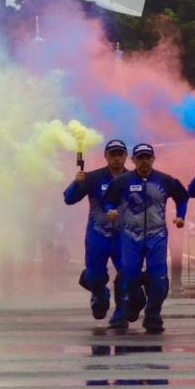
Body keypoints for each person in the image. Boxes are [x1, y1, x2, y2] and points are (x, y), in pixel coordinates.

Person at [103, 143, 188, 333]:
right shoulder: (122, 182)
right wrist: (110, 210)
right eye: (140, 158)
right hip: (130, 236)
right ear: (133, 160)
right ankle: (134, 304)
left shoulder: (165, 180)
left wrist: (181, 215)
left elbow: (182, 196)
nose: (144, 162)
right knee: (128, 276)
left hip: (156, 236)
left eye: (147, 158)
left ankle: (153, 314)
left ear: (153, 159)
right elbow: (108, 200)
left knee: (158, 278)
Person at [62, 139, 132, 326]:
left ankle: (121, 312)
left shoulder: (133, 178)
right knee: (94, 276)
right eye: (112, 155)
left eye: (120, 154)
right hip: (97, 235)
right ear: (106, 156)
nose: (117, 159)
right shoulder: (93, 177)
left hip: (123, 237)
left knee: (127, 274)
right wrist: (76, 183)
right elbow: (69, 199)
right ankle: (100, 294)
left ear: (126, 156)